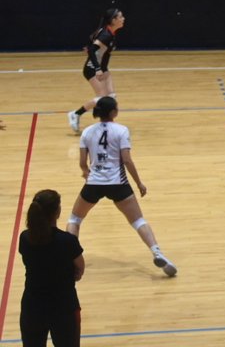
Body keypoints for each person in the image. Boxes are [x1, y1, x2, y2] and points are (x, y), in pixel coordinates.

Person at [67, 96, 177, 278]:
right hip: (118, 183)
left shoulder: (87, 132)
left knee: (75, 220)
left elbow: (82, 163)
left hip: (94, 183)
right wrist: (139, 182)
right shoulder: (121, 131)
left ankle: (68, 257)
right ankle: (157, 252)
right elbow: (126, 160)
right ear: (113, 112)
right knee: (138, 221)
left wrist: (87, 173)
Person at [19, 189, 84, 347]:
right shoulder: (67, 241)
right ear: (57, 212)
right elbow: (80, 269)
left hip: (33, 306)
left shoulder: (25, 238)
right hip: (64, 307)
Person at [68, 8, 124, 134]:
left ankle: (105, 123)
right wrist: (98, 68)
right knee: (102, 98)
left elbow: (92, 39)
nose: (123, 19)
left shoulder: (109, 32)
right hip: (92, 69)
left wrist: (88, 46)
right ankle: (75, 114)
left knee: (111, 98)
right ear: (114, 20)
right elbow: (93, 50)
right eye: (120, 17)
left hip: (103, 69)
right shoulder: (106, 35)